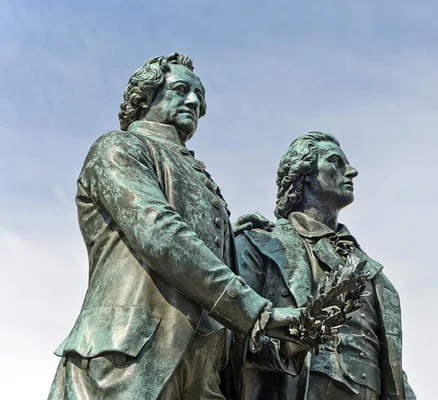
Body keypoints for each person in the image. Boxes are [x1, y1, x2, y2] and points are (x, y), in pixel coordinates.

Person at [48, 53, 300, 400]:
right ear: (146, 95)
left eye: (200, 96)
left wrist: (285, 343)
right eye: (182, 89)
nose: (195, 102)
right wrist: (259, 312)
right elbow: (160, 233)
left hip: (205, 374)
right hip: (130, 363)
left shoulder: (202, 182)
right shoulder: (119, 148)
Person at [234, 132, 417, 400]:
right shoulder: (260, 243)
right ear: (304, 173)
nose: (351, 172)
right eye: (336, 162)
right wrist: (289, 344)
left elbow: (392, 366)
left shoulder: (372, 272)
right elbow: (235, 333)